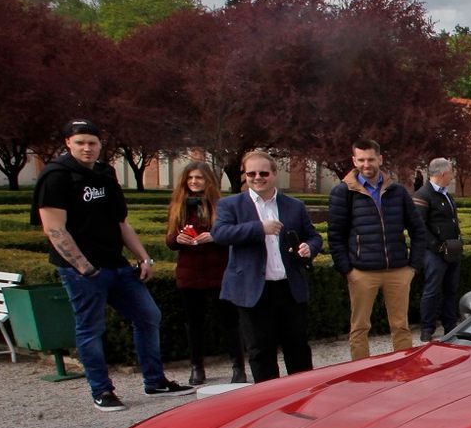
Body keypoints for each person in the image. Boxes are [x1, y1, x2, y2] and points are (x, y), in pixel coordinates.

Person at [34, 120, 191, 411]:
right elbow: (54, 229)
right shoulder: (56, 176)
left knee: (148, 315)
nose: (87, 148)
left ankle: (155, 381)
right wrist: (83, 267)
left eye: (92, 143)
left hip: (116, 264)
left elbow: (121, 222)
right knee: (91, 328)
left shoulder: (105, 174)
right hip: (82, 269)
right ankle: (102, 391)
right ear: (68, 142)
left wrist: (144, 257)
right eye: (80, 142)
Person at [212, 150, 322, 382]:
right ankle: (268, 405)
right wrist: (258, 228)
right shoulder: (231, 205)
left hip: (288, 288)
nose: (257, 177)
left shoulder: (294, 205)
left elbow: (313, 236)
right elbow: (220, 234)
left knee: (298, 348)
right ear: (244, 175)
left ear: (274, 174)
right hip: (254, 289)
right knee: (260, 351)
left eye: (263, 173)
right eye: (251, 173)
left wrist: (308, 248)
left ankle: (303, 397)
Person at [328, 139, 426, 362]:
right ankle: (360, 371)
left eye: (370, 159)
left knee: (401, 326)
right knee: (360, 327)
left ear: (380, 159)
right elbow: (336, 236)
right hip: (362, 271)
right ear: (354, 160)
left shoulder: (398, 191)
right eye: (361, 160)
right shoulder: (343, 193)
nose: (366, 164)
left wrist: (413, 266)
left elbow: (418, 230)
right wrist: (347, 270)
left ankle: (404, 368)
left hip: (398, 270)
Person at [165, 160, 243, 385]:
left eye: (198, 178)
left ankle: (238, 365)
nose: (194, 182)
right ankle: (196, 366)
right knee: (194, 323)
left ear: (208, 180)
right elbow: (169, 239)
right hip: (190, 273)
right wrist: (177, 239)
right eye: (190, 178)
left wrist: (215, 236)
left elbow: (231, 234)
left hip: (219, 271)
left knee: (229, 321)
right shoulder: (178, 205)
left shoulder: (221, 205)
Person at [414, 158, 464, 342]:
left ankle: (450, 324)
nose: (452, 175)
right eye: (451, 171)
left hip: (452, 250)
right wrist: (437, 246)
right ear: (442, 173)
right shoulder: (423, 194)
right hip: (434, 253)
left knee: (451, 288)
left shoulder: (447, 195)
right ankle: (427, 327)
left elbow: (452, 221)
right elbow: (419, 227)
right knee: (432, 290)